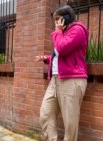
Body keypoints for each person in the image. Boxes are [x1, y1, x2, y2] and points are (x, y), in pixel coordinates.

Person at [35, 5, 89, 141]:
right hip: (55, 79)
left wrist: (57, 32)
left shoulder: (77, 30)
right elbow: (61, 54)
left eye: (58, 19)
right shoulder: (63, 34)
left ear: (66, 18)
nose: (55, 22)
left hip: (71, 79)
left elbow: (63, 48)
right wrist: (47, 58)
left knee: (70, 122)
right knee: (45, 114)